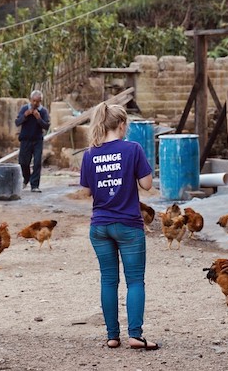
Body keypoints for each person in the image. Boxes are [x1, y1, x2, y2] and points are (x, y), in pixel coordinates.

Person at [79, 102, 159, 351]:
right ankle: (135, 335)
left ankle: (112, 336)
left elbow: (85, 192)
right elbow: (147, 185)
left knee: (108, 280)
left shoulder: (89, 154)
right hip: (128, 226)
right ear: (121, 125)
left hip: (100, 226)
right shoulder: (132, 149)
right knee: (135, 281)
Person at [15, 90, 50, 193]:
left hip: (37, 140)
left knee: (37, 162)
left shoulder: (43, 111)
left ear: (41, 101)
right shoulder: (24, 108)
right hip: (25, 139)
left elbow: (46, 126)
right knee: (23, 162)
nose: (35, 104)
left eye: (38, 101)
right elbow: (17, 122)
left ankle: (34, 185)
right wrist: (25, 115)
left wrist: (39, 118)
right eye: (34, 101)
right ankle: (26, 178)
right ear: (30, 100)